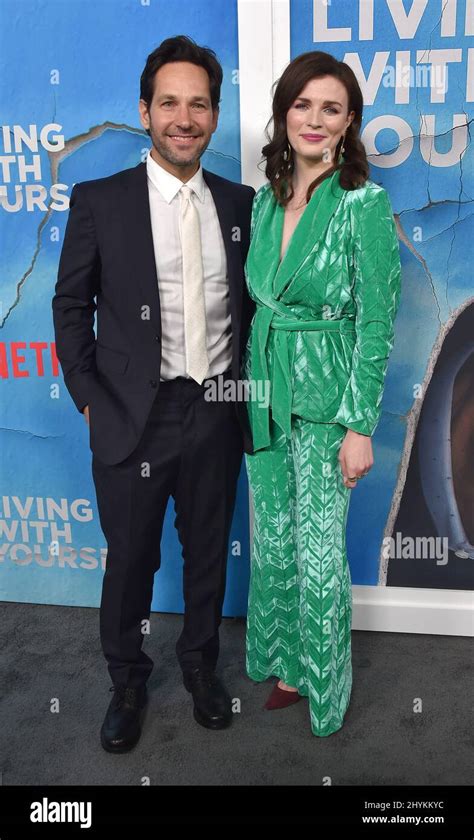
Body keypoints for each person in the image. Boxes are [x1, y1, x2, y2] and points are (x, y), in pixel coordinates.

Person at [52, 35, 255, 752]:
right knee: (130, 560)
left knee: (207, 553)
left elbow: (251, 308)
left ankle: (201, 668)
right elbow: (70, 304)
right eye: (169, 101)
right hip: (132, 416)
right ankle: (127, 682)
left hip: (217, 411)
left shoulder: (240, 202)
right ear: (144, 110)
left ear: (214, 114)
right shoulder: (99, 201)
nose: (184, 116)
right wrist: (87, 396)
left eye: (198, 103)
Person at [242, 50, 402, 736]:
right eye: (302, 104)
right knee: (273, 540)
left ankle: (322, 684)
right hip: (264, 390)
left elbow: (377, 318)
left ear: (349, 123)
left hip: (330, 400)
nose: (314, 119)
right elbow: (259, 305)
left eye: (330, 108)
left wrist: (360, 424)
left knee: (318, 550)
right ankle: (285, 662)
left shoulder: (364, 202)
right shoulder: (263, 199)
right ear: (284, 113)